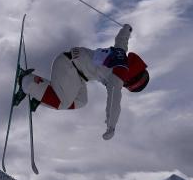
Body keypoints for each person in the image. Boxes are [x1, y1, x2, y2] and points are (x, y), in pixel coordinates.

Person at [14, 24, 149, 140]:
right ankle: (27, 81)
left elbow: (122, 39)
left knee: (81, 101)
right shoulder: (119, 74)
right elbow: (114, 102)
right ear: (132, 78)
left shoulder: (121, 53)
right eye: (128, 86)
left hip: (75, 72)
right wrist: (111, 126)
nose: (124, 86)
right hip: (68, 66)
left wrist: (127, 28)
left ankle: (39, 96)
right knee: (62, 102)